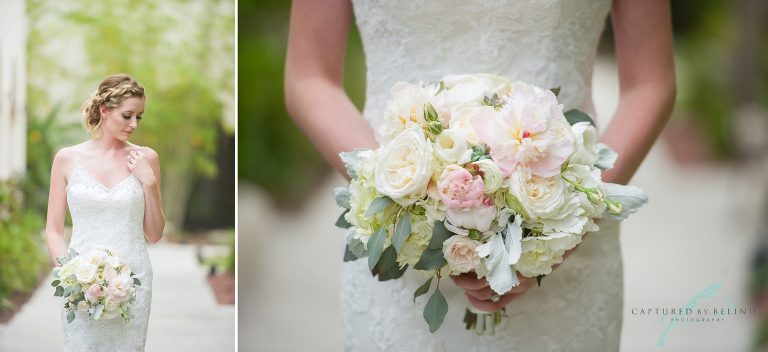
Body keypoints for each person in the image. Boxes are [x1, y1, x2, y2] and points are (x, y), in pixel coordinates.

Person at [285, 0, 675, 350]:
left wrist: (567, 226)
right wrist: (405, 196)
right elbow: (309, 77)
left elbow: (650, 84)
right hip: (401, 252)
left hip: (565, 245)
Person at [45, 73, 165, 351]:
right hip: (81, 284)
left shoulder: (147, 158)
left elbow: (155, 234)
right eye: (127, 116)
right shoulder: (66, 159)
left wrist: (149, 183)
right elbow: (53, 230)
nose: (134, 124)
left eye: (139, 117)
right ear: (104, 110)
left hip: (132, 283)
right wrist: (70, 276)